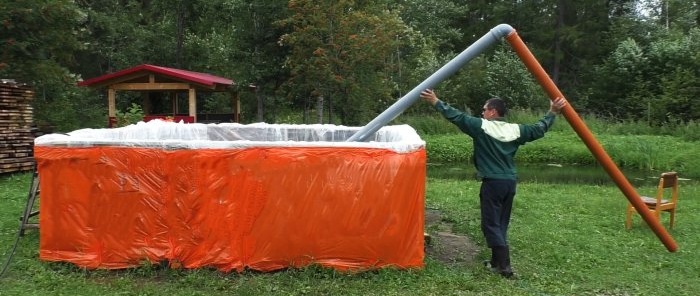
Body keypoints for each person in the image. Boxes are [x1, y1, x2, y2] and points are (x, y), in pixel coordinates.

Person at [419, 89, 567, 278]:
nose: (482, 113)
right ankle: (496, 262)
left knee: (490, 224)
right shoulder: (516, 130)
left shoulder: (481, 127)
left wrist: (435, 101)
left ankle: (505, 267)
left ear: (493, 112)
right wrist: (552, 112)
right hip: (509, 183)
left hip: (493, 183)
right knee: (500, 223)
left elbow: (456, 116)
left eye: (484, 109)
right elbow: (539, 128)